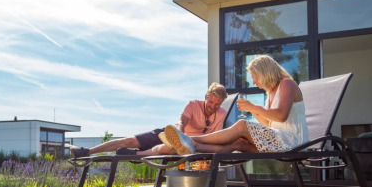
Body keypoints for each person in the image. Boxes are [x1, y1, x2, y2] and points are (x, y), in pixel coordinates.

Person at [161, 55, 308, 155]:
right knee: (238, 143)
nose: (254, 82)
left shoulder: (287, 84)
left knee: (242, 125)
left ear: (264, 73)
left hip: (292, 142)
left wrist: (253, 108)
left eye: (254, 77)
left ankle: (189, 139)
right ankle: (192, 146)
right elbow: (269, 124)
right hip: (278, 140)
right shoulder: (270, 93)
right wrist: (254, 111)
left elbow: (281, 116)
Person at [70, 83, 228, 158]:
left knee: (166, 149)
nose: (213, 107)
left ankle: (134, 155)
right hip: (170, 134)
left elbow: (217, 136)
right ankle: (87, 151)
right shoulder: (193, 105)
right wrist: (178, 132)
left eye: (217, 104)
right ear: (206, 97)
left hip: (188, 145)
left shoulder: (221, 113)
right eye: (211, 102)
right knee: (129, 140)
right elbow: (182, 121)